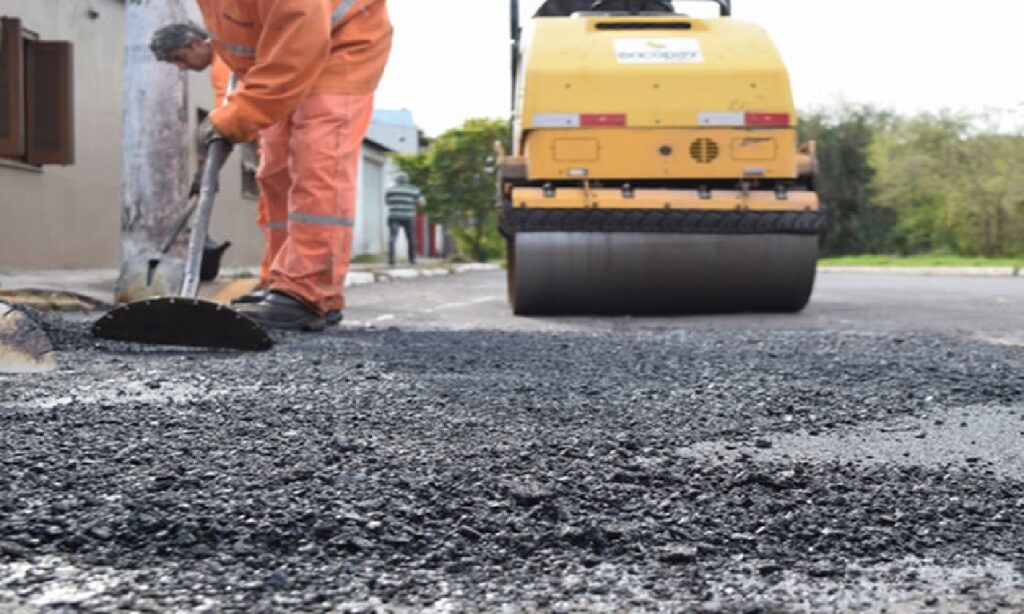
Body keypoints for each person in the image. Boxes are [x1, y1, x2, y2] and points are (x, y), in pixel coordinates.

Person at [150, 1, 393, 331]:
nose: (180, 67)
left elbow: (298, 40)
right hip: (273, 67)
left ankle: (307, 293)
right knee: (275, 172)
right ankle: (282, 283)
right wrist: (230, 123)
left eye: (180, 58)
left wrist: (235, 120)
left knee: (317, 164)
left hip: (339, 47)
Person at [385, 173, 425, 266]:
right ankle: (412, 259)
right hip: (408, 216)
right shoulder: (414, 190)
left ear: (396, 180)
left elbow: (387, 201)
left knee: (392, 237)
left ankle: (391, 259)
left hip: (394, 216)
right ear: (407, 180)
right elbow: (422, 202)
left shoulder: (390, 190)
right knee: (411, 238)